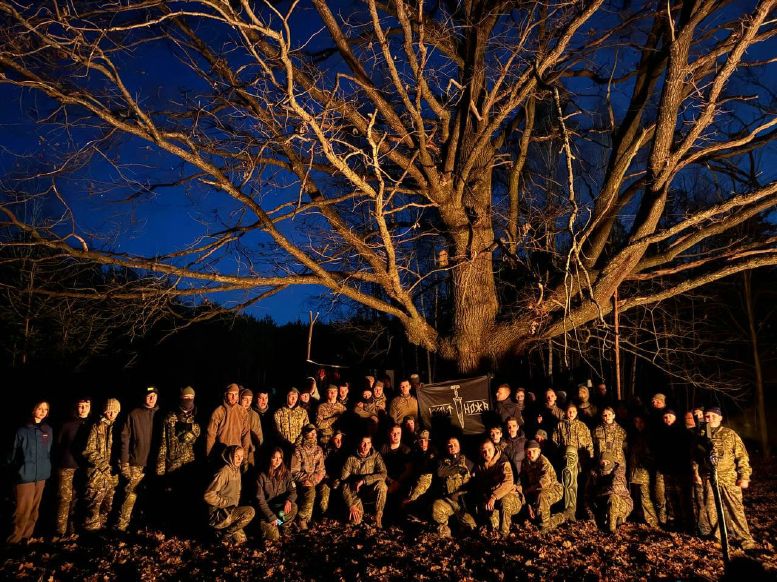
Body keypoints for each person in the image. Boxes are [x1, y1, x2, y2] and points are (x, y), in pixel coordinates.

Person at [693, 407, 756, 550]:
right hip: (709, 479)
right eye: (707, 416)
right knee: (712, 509)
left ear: (720, 418)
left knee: (735, 510)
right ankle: (719, 537)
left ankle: (745, 540)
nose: (710, 418)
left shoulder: (729, 434)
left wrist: (744, 476)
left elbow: (742, 457)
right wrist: (696, 473)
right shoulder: (701, 435)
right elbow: (695, 458)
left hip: (729, 479)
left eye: (713, 416)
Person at [6, 400, 53, 544]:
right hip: (25, 476)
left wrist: (46, 467)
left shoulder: (47, 430)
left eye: (46, 409)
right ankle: (14, 540)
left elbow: (48, 451)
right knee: (21, 511)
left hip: (41, 476)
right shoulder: (21, 430)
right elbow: (12, 454)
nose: (43, 411)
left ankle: (26, 538)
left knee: (34, 510)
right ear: (33, 409)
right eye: (40, 408)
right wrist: (16, 470)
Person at [117, 385, 160, 532]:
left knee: (150, 495)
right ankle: (121, 526)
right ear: (144, 397)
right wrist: (124, 461)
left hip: (154, 463)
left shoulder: (160, 414)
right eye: (149, 396)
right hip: (136, 462)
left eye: (154, 396)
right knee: (130, 495)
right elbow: (125, 439)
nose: (152, 399)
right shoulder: (134, 414)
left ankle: (145, 525)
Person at [156, 386, 201, 524]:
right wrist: (160, 468)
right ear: (180, 398)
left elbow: (199, 439)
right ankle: (168, 524)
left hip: (189, 463)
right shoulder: (170, 418)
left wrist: (192, 432)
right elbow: (163, 443)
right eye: (186, 397)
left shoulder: (196, 417)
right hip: (173, 463)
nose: (188, 400)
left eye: (191, 398)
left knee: (187, 495)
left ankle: (184, 524)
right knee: (171, 496)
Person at [467, 439, 522, 537]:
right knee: (491, 524)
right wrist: (485, 498)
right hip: (493, 502)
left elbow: (508, 482)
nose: (487, 453)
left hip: (511, 499)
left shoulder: (503, 461)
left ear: (494, 449)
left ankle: (504, 534)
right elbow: (479, 485)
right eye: (483, 451)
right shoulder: (480, 465)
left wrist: (493, 497)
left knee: (505, 501)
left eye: (489, 450)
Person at [54, 396, 91, 537]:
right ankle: (60, 531)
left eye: (86, 406)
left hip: (82, 467)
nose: (83, 409)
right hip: (66, 466)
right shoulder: (67, 424)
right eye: (81, 406)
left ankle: (72, 529)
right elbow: (58, 444)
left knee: (77, 499)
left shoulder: (92, 425)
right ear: (76, 407)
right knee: (64, 498)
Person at [83, 399, 121, 531]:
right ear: (104, 411)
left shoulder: (119, 427)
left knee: (108, 506)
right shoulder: (96, 426)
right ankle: (90, 533)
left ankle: (103, 532)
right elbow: (88, 450)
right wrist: (104, 465)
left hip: (112, 476)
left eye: (115, 411)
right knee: (93, 506)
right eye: (109, 411)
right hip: (96, 475)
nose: (112, 414)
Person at [204, 445, 254, 545]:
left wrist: (234, 504)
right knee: (250, 511)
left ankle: (223, 533)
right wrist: (225, 502)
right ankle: (224, 533)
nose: (239, 459)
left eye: (241, 456)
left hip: (231, 511)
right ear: (230, 456)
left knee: (242, 540)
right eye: (236, 456)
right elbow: (208, 495)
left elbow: (238, 491)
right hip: (219, 514)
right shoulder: (223, 472)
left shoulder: (237, 470)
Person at [552, 402, 593, 520]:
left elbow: (589, 443)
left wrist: (590, 457)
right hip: (566, 459)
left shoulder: (582, 426)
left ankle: (581, 510)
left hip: (581, 460)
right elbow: (554, 442)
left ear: (577, 413)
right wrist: (560, 454)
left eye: (574, 411)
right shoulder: (560, 425)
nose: (571, 413)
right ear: (565, 412)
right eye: (569, 411)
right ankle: (569, 509)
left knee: (581, 483)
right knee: (568, 482)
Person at [431, 437, 475, 537]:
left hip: (463, 502)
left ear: (459, 447)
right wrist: (459, 469)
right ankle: (445, 533)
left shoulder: (468, 463)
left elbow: (473, 483)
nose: (452, 447)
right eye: (449, 445)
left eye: (455, 444)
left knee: (471, 527)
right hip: (448, 501)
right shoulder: (441, 462)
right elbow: (440, 472)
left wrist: (460, 493)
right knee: (436, 507)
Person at [341, 435, 388, 528]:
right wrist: (350, 505)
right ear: (359, 444)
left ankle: (378, 516)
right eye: (363, 443)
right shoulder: (351, 459)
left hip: (370, 490)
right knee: (355, 521)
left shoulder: (376, 456)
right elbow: (343, 482)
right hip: (355, 493)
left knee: (382, 486)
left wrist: (364, 480)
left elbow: (383, 474)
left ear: (371, 445)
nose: (366, 446)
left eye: (368, 443)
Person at [521, 440, 565, 533]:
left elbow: (544, 482)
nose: (531, 454)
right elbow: (524, 484)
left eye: (534, 451)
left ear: (539, 451)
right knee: (532, 517)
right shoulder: (525, 463)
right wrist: (529, 504)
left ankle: (545, 526)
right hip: (535, 491)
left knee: (542, 496)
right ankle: (556, 519)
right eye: (528, 452)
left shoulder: (544, 461)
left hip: (553, 489)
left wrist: (529, 490)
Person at [256, 447, 298, 541]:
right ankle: (272, 525)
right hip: (265, 513)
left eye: (280, 458)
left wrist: (289, 500)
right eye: (274, 458)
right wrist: (271, 517)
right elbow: (260, 500)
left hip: (279, 511)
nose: (278, 461)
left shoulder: (286, 473)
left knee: (293, 507)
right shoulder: (261, 475)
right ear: (269, 458)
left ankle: (282, 525)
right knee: (275, 537)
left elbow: (293, 491)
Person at [586, 451, 633, 533]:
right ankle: (607, 520)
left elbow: (613, 489)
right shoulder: (594, 474)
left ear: (611, 462)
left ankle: (612, 529)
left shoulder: (618, 473)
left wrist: (598, 493)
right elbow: (587, 495)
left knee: (613, 498)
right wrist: (591, 516)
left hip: (623, 503)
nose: (605, 465)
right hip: (603, 503)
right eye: (602, 462)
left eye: (607, 462)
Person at [290, 424, 325, 530]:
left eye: (314, 433)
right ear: (305, 434)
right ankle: (301, 518)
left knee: (321, 491)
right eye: (310, 433)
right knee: (310, 491)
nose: (313, 435)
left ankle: (309, 519)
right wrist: (306, 479)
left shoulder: (319, 450)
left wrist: (313, 480)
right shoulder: (298, 450)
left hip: (313, 481)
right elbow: (294, 471)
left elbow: (321, 470)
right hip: (300, 482)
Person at [206, 383, 250, 464]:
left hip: (237, 455)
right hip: (221, 454)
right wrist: (209, 455)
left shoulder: (243, 412)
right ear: (226, 395)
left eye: (236, 394)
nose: (234, 397)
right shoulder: (218, 412)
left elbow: (246, 435)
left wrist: (244, 456)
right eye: (231, 394)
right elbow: (210, 435)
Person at [628, 415, 658, 527]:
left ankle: (652, 520)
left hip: (644, 472)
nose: (638, 424)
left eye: (641, 422)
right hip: (635, 471)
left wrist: (644, 463)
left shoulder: (649, 436)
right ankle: (640, 516)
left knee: (645, 496)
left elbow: (651, 455)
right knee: (637, 495)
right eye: (636, 422)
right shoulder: (636, 436)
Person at [318, 430, 347, 517]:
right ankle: (323, 514)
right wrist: (328, 479)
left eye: (340, 439)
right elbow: (320, 468)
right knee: (324, 490)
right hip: (327, 479)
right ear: (331, 439)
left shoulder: (346, 451)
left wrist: (340, 479)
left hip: (341, 479)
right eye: (336, 439)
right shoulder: (325, 451)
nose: (339, 442)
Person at [274, 387, 310, 453]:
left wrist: (297, 444)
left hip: (299, 448)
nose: (294, 399)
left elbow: (306, 429)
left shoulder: (303, 412)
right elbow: (277, 431)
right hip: (283, 447)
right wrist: (286, 444)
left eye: (296, 397)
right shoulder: (279, 413)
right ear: (287, 396)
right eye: (291, 396)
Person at [239, 388, 263, 471]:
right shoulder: (235, 413)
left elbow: (259, 437)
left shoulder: (254, 415)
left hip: (250, 452)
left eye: (250, 400)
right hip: (236, 451)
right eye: (245, 399)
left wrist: (255, 444)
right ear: (240, 399)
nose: (247, 402)